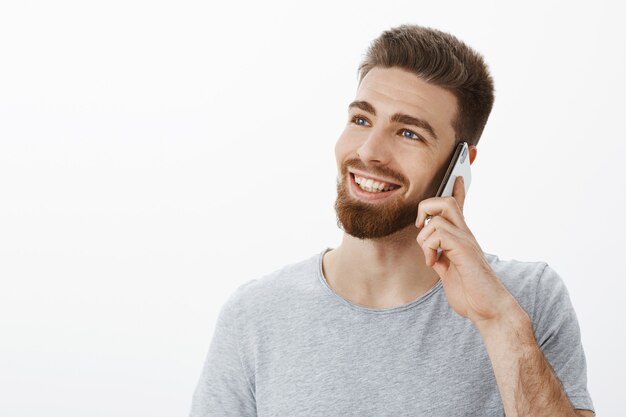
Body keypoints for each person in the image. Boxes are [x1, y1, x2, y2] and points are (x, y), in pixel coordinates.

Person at [189, 24, 594, 416]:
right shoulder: (255, 314)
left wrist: (499, 322)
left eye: (409, 134)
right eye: (361, 120)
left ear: (459, 165)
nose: (368, 151)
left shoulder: (527, 299)